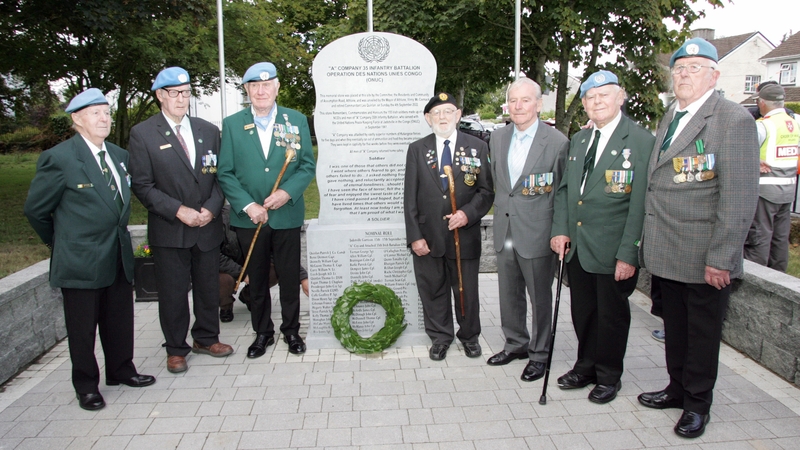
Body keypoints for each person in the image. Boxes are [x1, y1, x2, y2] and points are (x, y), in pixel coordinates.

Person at [638, 38, 759, 438]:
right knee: (675, 329)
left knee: (702, 336)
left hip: (704, 254)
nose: (684, 75)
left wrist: (722, 258)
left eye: (694, 68)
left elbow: (739, 197)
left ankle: (697, 404)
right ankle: (677, 389)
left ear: (714, 75)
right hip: (667, 249)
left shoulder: (732, 119)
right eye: (679, 69)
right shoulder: (670, 117)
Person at [24, 88, 155, 411]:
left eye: (107, 112)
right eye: (95, 113)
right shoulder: (60, 158)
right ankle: (86, 386)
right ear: (77, 119)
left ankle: (121, 369)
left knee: (119, 319)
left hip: (117, 254)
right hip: (80, 259)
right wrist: (60, 243)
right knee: (82, 328)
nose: (104, 118)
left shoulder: (118, 155)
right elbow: (36, 210)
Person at [550, 70, 655, 403]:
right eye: (590, 98)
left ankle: (609, 376)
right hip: (578, 247)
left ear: (620, 97)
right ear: (583, 104)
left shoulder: (640, 141)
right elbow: (566, 191)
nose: (597, 102)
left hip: (612, 249)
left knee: (611, 317)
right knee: (584, 313)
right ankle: (585, 367)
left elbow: (639, 205)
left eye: (604, 95)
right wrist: (560, 229)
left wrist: (629, 253)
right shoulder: (580, 140)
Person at [128, 67, 233, 374]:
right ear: (160, 95)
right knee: (173, 292)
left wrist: (211, 209)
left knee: (208, 287)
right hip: (171, 228)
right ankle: (176, 348)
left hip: (206, 226)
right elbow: (142, 185)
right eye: (174, 93)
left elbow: (221, 177)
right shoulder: (143, 134)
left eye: (186, 92)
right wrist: (179, 210)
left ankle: (206, 338)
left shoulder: (208, 130)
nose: (181, 99)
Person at [217, 62, 316, 357]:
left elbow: (306, 165)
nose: (261, 91)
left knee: (289, 276)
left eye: (266, 85)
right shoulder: (232, 124)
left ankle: (291, 330)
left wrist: (287, 192)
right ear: (247, 90)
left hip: (286, 214)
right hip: (250, 219)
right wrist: (248, 205)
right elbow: (225, 172)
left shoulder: (295, 120)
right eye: (254, 86)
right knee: (257, 278)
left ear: (277, 87)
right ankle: (263, 333)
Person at [487, 77, 569, 382]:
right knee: (508, 293)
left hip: (537, 232)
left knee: (539, 297)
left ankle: (540, 354)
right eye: (513, 100)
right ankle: (515, 344)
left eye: (525, 100)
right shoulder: (497, 138)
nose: (518, 106)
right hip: (505, 229)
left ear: (538, 104)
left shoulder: (557, 142)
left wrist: (559, 232)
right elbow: (499, 184)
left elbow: (562, 192)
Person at [403, 92, 494, 361]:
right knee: (433, 290)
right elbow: (410, 197)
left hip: (463, 235)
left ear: (458, 115)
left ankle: (469, 336)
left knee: (466, 290)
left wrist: (467, 214)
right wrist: (415, 236)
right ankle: (440, 338)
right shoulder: (417, 149)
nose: (442, 117)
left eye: (448, 111)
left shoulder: (477, 147)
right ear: (427, 118)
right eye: (436, 113)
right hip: (428, 237)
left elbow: (486, 191)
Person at [218, 204, 310, 322]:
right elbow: (216, 257)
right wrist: (243, 274)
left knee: (274, 271)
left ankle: (248, 295)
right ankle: (225, 306)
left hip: (253, 261)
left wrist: (303, 277)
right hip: (226, 265)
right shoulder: (221, 219)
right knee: (224, 281)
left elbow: (278, 253)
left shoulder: (264, 216)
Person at [743, 84, 800, 272]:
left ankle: (757, 276)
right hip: (788, 191)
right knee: (780, 238)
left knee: (759, 236)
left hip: (765, 191)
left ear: (762, 103)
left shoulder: (763, 126)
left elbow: (745, 153)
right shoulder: (795, 123)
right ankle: (779, 276)